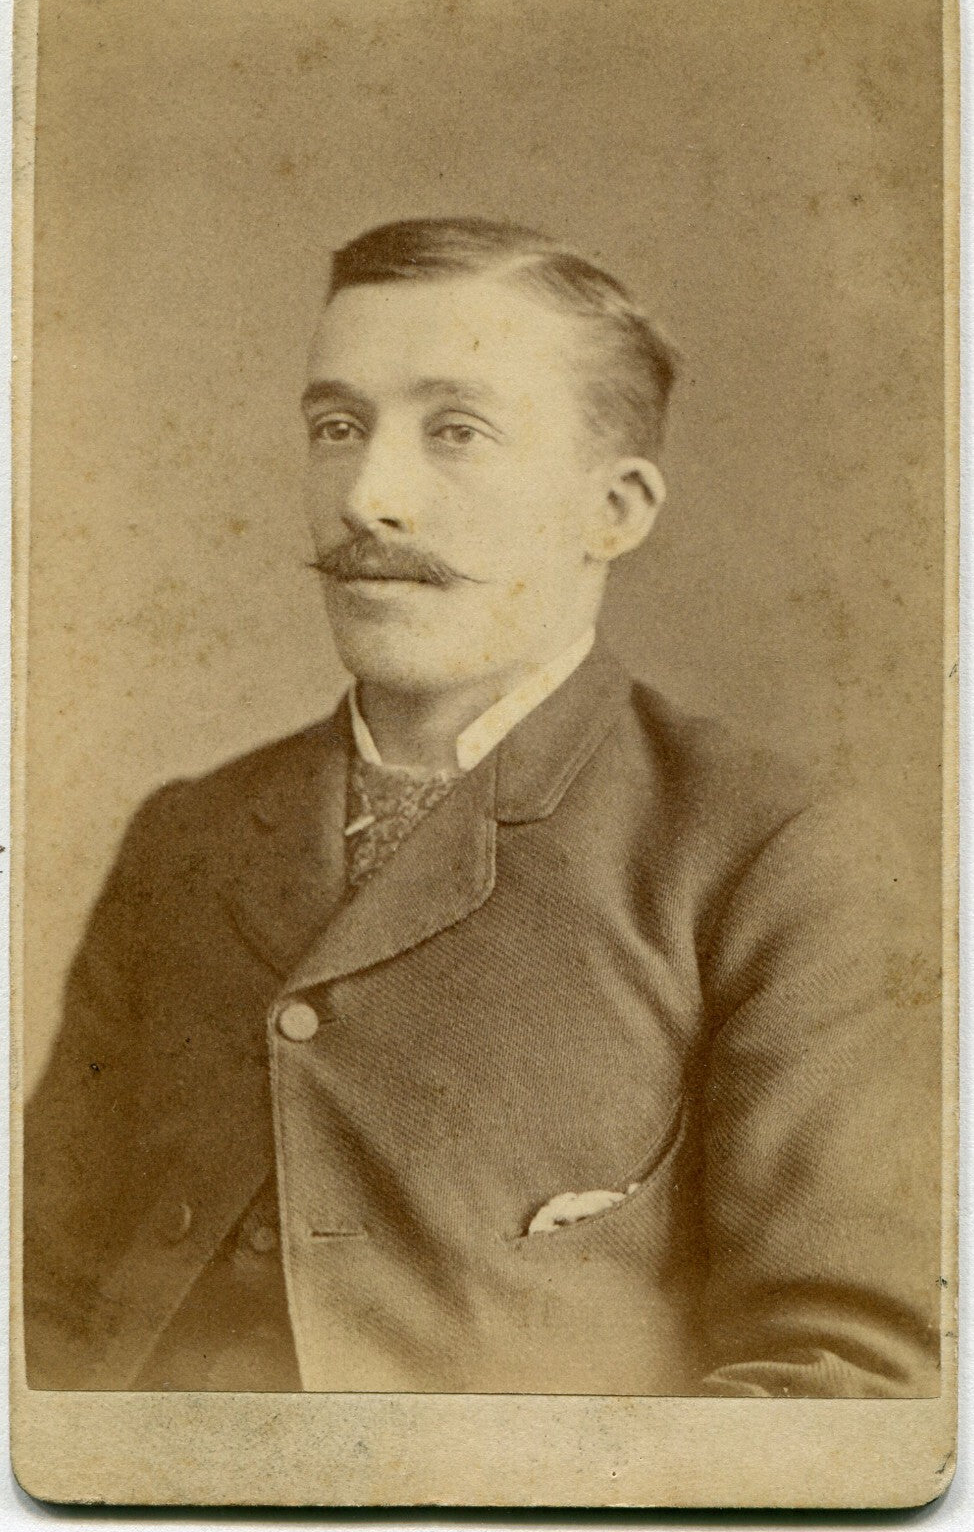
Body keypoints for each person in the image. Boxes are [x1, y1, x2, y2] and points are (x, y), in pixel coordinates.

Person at [24, 217, 941, 1398]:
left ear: (613, 510)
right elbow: (36, 1305)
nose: (367, 495)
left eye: (455, 431)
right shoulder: (187, 834)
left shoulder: (767, 853)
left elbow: (843, 1377)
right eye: (335, 427)